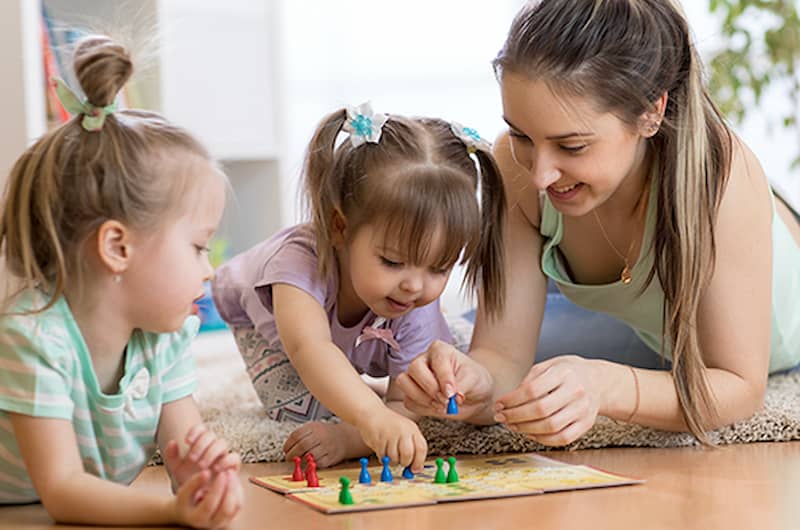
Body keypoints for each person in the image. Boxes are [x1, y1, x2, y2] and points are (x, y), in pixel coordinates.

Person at [397, 0, 800, 446]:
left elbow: (739, 388)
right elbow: (502, 359)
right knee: (477, 350)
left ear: (651, 111)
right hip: (647, 329)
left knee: (566, 371)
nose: (539, 175)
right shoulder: (516, 166)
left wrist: (605, 386)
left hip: (774, 334)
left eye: (571, 146)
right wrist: (474, 384)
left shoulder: (721, 178)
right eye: (523, 135)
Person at [0, 35, 244, 527]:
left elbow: (183, 456)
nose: (208, 268)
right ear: (117, 247)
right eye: (197, 247)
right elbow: (63, 490)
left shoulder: (166, 335)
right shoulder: (31, 336)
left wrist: (199, 478)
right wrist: (170, 512)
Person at [211, 102, 506, 469]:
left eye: (439, 268)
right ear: (340, 227)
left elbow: (404, 404)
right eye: (393, 261)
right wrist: (370, 417)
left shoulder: (412, 295)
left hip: (371, 327)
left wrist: (355, 436)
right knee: (302, 413)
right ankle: (357, 391)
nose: (415, 285)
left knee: (440, 377)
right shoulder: (295, 264)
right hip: (271, 323)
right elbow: (309, 348)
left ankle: (366, 383)